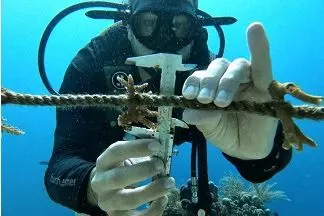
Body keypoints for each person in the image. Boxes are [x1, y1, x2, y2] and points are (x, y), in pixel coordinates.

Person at [44, 0, 292, 215]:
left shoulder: (212, 75)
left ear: (195, 29)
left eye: (179, 25)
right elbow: (60, 166)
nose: (163, 40)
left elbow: (263, 164)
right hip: (103, 153)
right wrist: (90, 188)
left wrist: (262, 155)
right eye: (148, 24)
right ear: (129, 26)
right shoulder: (91, 65)